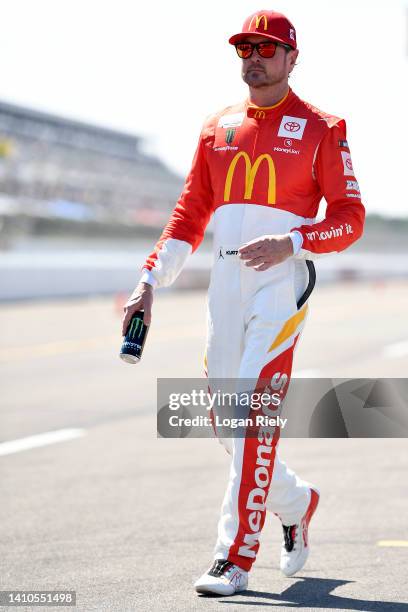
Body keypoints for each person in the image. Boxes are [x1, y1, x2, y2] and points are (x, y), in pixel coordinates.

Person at [122, 9, 365, 596]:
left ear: (291, 57)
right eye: (244, 49)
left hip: (282, 285)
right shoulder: (217, 125)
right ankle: (297, 501)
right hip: (223, 289)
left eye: (266, 47)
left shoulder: (323, 127)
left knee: (254, 410)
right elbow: (188, 215)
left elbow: (350, 220)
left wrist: (294, 241)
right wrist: (150, 280)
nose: (253, 57)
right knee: (228, 423)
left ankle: (234, 557)